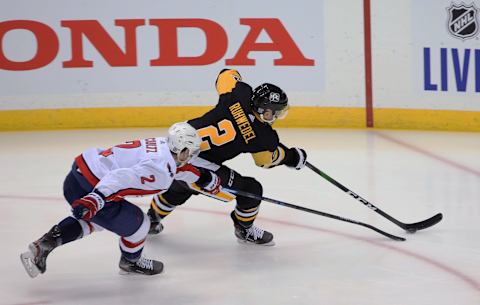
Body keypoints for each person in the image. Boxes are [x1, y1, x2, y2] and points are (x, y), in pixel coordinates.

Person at [20, 122, 221, 278]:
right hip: (91, 188)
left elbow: (177, 167)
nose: (192, 156)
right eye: (192, 152)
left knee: (99, 221)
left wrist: (205, 178)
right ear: (183, 149)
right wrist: (95, 199)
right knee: (141, 225)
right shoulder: (161, 172)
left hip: (77, 176)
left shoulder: (161, 144)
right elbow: (121, 178)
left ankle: (45, 243)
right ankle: (131, 262)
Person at [147, 69, 307, 246]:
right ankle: (244, 229)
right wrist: (292, 157)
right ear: (263, 111)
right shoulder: (264, 136)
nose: (275, 117)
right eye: (274, 112)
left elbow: (225, 74)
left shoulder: (239, 93)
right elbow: (265, 161)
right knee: (251, 190)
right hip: (199, 166)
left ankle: (151, 219)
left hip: (175, 147)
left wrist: (237, 81)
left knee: (181, 186)